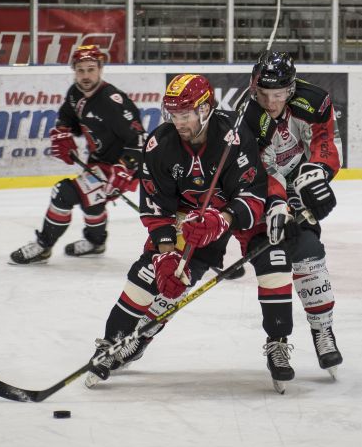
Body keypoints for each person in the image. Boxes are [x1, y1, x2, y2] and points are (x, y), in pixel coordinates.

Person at [84, 73, 298, 390]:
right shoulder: (160, 145)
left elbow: (254, 196)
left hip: (237, 216)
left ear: (204, 109)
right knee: (151, 276)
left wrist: (222, 218)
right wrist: (166, 255)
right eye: (174, 114)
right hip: (191, 222)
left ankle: (278, 343)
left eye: (185, 114)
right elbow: (157, 210)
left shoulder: (235, 137)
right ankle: (117, 342)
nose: (179, 121)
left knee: (274, 262)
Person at [241, 51, 344, 375]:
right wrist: (277, 203)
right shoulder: (245, 119)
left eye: (279, 95)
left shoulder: (314, 102)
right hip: (263, 192)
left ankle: (322, 329)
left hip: (297, 181)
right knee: (273, 263)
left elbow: (325, 144)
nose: (271, 102)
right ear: (255, 89)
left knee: (310, 254)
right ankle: (277, 341)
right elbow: (259, 170)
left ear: (291, 90)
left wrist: (317, 174)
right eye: (264, 95)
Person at [9, 45, 147, 265]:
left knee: (64, 193)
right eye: (80, 70)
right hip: (98, 161)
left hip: (120, 167)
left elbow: (139, 139)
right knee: (91, 201)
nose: (85, 76)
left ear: (101, 69)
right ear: (74, 70)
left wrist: (124, 168)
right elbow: (67, 116)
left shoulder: (112, 101)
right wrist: (63, 131)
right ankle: (95, 242)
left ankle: (43, 246)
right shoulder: (75, 93)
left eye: (91, 69)